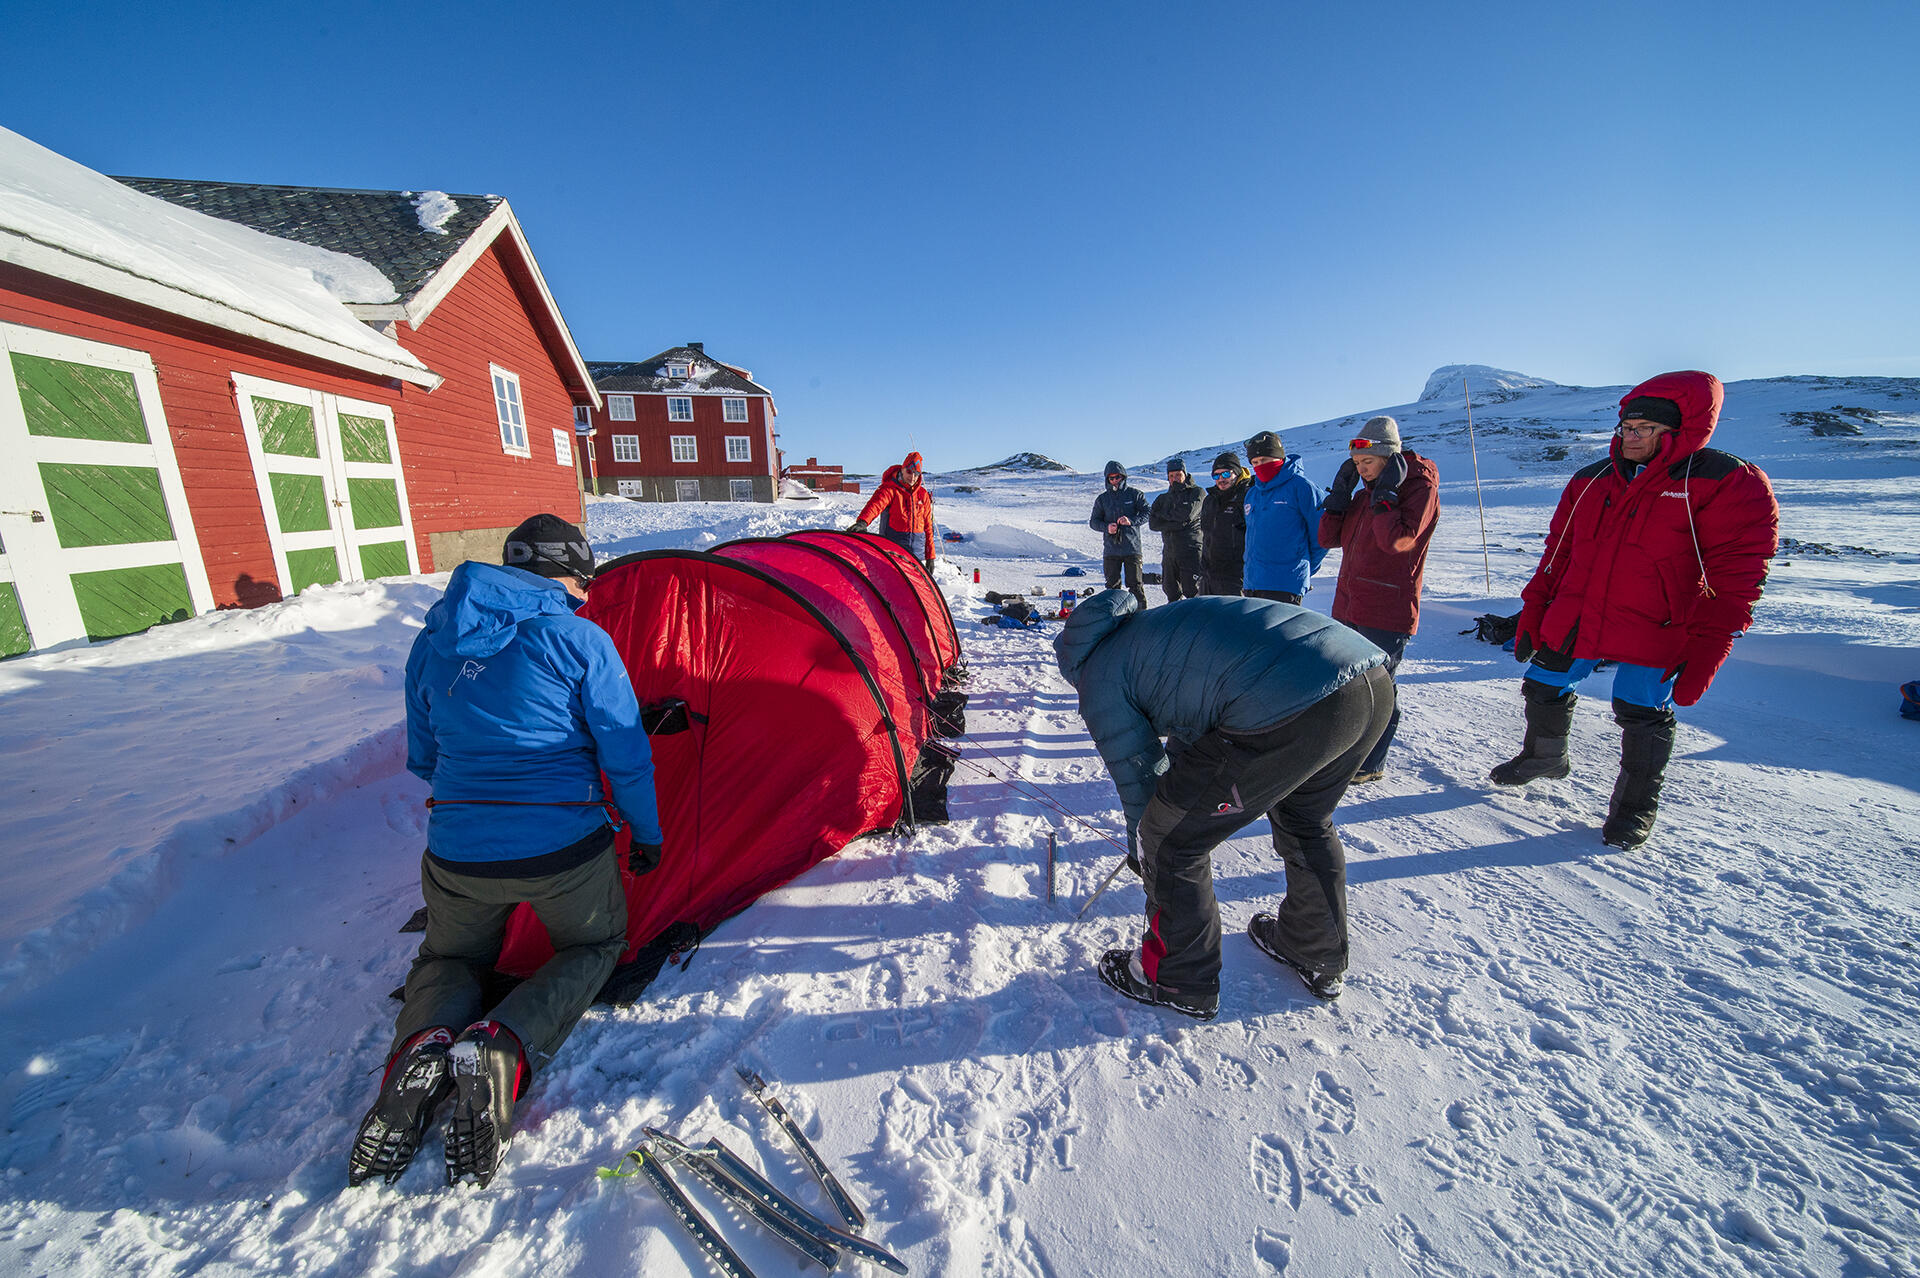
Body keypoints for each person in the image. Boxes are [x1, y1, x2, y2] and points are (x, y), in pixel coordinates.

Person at [349, 514, 664, 1189]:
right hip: (563, 848)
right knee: (592, 946)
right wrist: (647, 832)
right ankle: (503, 1044)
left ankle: (424, 1042)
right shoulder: (581, 639)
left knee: (454, 955)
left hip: (457, 849)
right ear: (572, 574)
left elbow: (426, 756)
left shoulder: (434, 642)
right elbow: (626, 754)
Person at [1054, 590, 1393, 1017]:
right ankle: (1314, 950)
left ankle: (1178, 979)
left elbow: (1138, 775)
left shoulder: (1098, 674)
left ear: (1072, 661)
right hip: (1366, 682)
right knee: (1304, 818)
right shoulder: (1154, 629)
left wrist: (1147, 850)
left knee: (1170, 841)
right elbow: (1197, 722)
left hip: (1292, 699)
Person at [1490, 371, 1778, 850]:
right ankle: (1544, 757)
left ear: (1679, 431)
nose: (1631, 436)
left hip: (1659, 623)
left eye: (1645, 428)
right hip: (1579, 612)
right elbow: (1557, 552)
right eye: (1627, 426)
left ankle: (1635, 808)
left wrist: (1712, 641)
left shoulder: (1722, 480)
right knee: (1542, 685)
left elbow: (1740, 573)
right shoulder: (1590, 479)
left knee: (1641, 711)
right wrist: (1534, 607)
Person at [1317, 416, 1440, 783]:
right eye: (1356, 466)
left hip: (1387, 608)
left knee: (1378, 688)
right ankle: (1345, 753)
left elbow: (1397, 542)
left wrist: (1386, 499)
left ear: (1389, 457)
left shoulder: (1418, 489)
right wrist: (1338, 501)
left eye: (1367, 463)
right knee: (1349, 685)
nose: (1362, 471)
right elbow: (1328, 539)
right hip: (1351, 602)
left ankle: (1371, 762)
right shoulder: (1365, 494)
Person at [1241, 430, 1326, 604]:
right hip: (1253, 583)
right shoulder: (1252, 494)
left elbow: (1322, 536)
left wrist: (1303, 569)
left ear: (1278, 458)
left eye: (1264, 460)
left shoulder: (1302, 487)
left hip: (1285, 584)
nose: (1259, 465)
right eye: (1255, 462)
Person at [851, 450, 938, 573]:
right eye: (909, 471)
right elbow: (876, 504)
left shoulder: (922, 495)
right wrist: (863, 522)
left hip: (916, 556)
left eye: (916, 474)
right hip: (893, 551)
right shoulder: (890, 489)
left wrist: (930, 556)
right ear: (902, 469)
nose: (912, 477)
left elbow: (928, 527)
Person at [1089, 460, 1151, 610]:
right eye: (1111, 478)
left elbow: (1147, 513)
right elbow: (1093, 522)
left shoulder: (1135, 494)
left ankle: (1141, 616)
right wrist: (1106, 527)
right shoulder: (1102, 499)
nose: (1115, 480)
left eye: (1118, 477)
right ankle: (1114, 617)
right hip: (1111, 549)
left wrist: (1131, 520)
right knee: (1112, 587)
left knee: (1135, 585)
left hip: (1132, 548)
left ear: (1123, 477)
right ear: (1107, 479)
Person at [1147, 457, 1205, 602]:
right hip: (1169, 552)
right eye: (1171, 476)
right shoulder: (1163, 498)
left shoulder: (1197, 492)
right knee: (1171, 590)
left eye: (1178, 474)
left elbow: (1187, 515)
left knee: (1193, 591)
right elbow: (1153, 524)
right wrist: (1178, 522)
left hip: (1191, 550)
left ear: (1185, 474)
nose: (1175, 479)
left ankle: (1197, 623)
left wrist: (1164, 517)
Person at [1199, 450, 1250, 596]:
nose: (1221, 479)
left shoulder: (1247, 496)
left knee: (1233, 618)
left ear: (1237, 472)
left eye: (1226, 474)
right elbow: (1206, 536)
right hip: (1209, 575)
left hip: (1235, 577)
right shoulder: (1210, 500)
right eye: (1216, 475)